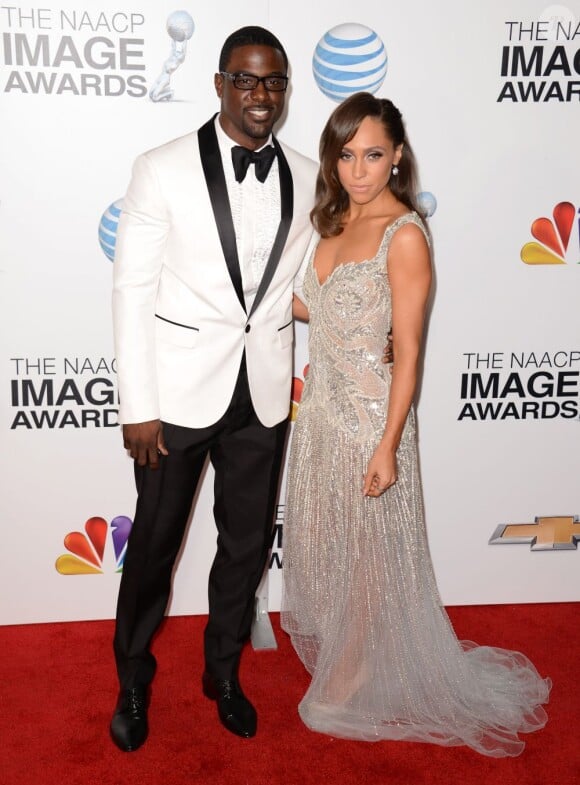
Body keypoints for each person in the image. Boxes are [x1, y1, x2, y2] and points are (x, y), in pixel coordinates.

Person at [281, 92, 550, 757]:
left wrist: (390, 442)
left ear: (398, 155)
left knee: (369, 556)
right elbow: (322, 310)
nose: (359, 170)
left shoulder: (405, 234)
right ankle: (351, 657)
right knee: (330, 550)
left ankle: (353, 673)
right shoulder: (334, 220)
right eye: (345, 155)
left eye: (373, 154)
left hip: (371, 423)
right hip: (318, 415)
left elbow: (410, 348)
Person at [110, 26, 317, 751]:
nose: (261, 95)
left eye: (275, 82)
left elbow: (309, 285)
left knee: (246, 545)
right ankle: (133, 675)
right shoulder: (160, 167)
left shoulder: (306, 172)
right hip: (173, 399)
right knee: (155, 548)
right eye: (247, 80)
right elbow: (131, 289)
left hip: (262, 394)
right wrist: (139, 404)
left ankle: (222, 672)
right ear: (220, 83)